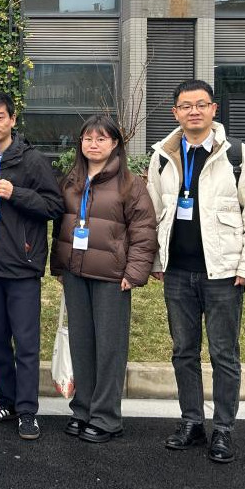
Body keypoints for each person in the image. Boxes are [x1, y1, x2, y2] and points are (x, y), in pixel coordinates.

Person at [147, 79, 245, 464]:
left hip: (223, 273)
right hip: (177, 273)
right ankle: (191, 422)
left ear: (214, 109)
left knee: (223, 354)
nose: (194, 112)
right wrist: (156, 262)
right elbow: (152, 213)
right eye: (186, 106)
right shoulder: (163, 157)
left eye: (201, 104)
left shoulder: (238, 156)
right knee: (183, 352)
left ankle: (223, 429)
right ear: (176, 113)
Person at [49, 115, 157, 443]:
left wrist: (134, 273)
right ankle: (82, 409)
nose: (93, 145)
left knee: (109, 348)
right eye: (87, 139)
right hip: (76, 273)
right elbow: (62, 226)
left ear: (114, 144)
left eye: (101, 139)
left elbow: (144, 231)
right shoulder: (71, 180)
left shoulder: (130, 184)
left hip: (112, 277)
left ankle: (107, 417)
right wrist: (59, 266)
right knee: (81, 344)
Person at [0, 91, 64, 441]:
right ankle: (6, 401)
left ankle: (27, 410)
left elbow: (54, 206)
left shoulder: (31, 160)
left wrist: (16, 193)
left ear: (12, 119)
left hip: (22, 264)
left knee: (25, 342)